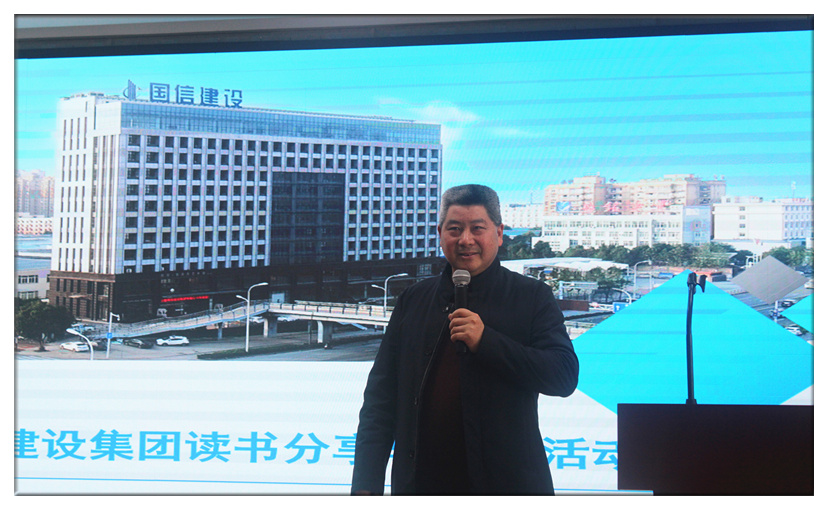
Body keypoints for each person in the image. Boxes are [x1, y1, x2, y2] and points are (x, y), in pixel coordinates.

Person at [351, 184, 579, 495]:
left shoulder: (531, 296)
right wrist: (365, 485)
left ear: (499, 233)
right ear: (440, 233)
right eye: (455, 229)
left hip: (506, 486)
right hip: (421, 484)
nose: (466, 240)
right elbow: (381, 399)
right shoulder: (414, 299)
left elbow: (563, 376)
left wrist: (486, 341)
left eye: (477, 229)